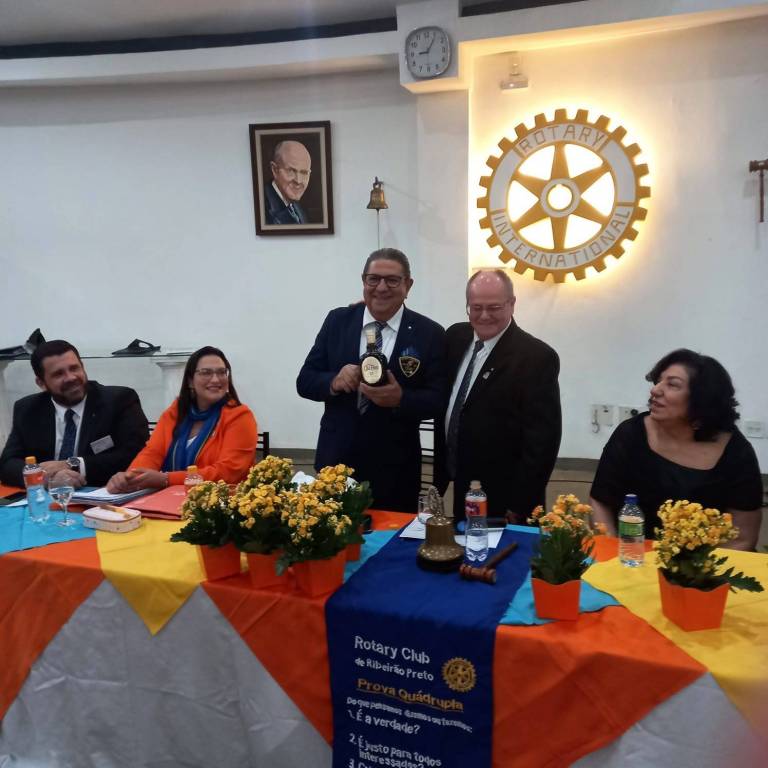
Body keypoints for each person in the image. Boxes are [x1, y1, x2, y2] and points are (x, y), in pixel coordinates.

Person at [296, 248, 447, 512]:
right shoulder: (338, 321)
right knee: (332, 535)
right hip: (336, 462)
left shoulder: (430, 333)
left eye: (392, 280)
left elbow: (438, 399)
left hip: (396, 469)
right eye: (373, 279)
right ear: (363, 281)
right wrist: (334, 381)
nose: (381, 287)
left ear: (408, 285)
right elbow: (305, 381)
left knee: (393, 536)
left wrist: (401, 399)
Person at [590, 349, 763, 550]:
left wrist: (700, 568)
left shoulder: (737, 454)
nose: (655, 390)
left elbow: (742, 538)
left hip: (700, 562)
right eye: (658, 381)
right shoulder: (630, 434)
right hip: (632, 554)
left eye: (672, 384)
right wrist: (613, 552)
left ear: (702, 398)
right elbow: (600, 502)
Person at [434, 270, 561, 523]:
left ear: (511, 304)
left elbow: (542, 443)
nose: (484, 315)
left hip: (506, 495)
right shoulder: (455, 337)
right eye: (476, 307)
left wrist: (520, 505)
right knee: (463, 542)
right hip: (461, 479)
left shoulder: (536, 358)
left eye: (494, 307)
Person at [0, 340, 149, 489]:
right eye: (58, 374)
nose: (71, 377)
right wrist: (46, 478)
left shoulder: (118, 400)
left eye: (74, 368)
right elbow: (7, 464)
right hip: (47, 495)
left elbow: (134, 454)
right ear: (41, 383)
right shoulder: (27, 409)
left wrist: (72, 465)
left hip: (102, 492)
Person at [107, 346, 257, 491]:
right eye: (206, 373)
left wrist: (167, 479)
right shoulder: (175, 413)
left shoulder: (240, 416)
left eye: (222, 372)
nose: (216, 379)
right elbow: (153, 453)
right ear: (190, 381)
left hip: (220, 502)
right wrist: (131, 476)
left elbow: (229, 472)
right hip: (170, 498)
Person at [264, 140, 311, 225]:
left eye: (304, 172)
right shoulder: (264, 209)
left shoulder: (297, 208)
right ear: (274, 170)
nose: (298, 181)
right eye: (291, 171)